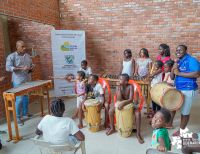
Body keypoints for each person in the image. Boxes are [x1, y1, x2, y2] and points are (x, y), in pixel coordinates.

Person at [170, 45, 200, 136]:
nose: (178, 51)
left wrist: (179, 73)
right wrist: (174, 67)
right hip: (178, 88)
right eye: (177, 50)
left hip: (188, 89)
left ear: (186, 50)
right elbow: (172, 77)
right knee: (173, 107)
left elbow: (197, 74)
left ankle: (182, 131)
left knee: (185, 111)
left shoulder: (191, 60)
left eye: (180, 50)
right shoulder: (178, 61)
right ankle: (169, 123)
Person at [106, 73, 144, 144]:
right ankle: (112, 128)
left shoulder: (131, 86)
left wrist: (123, 103)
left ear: (126, 81)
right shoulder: (118, 87)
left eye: (121, 79)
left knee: (138, 114)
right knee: (111, 111)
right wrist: (119, 87)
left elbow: (130, 99)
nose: (119, 80)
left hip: (130, 104)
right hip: (120, 103)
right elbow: (119, 99)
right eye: (119, 79)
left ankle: (138, 134)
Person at [6, 40, 34, 125]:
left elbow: (31, 65)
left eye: (24, 46)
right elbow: (8, 68)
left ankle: (25, 113)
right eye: (22, 47)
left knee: (26, 96)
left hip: (27, 79)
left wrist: (31, 68)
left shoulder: (28, 56)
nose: (24, 48)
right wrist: (20, 68)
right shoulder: (11, 56)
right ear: (17, 47)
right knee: (19, 98)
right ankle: (18, 117)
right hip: (18, 80)